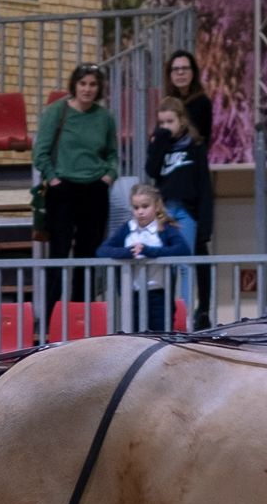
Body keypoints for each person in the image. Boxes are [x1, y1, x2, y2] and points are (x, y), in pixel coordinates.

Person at [33, 63, 119, 332]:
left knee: (88, 257)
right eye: (83, 84)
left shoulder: (104, 117)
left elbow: (112, 154)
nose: (88, 89)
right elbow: (41, 153)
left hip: (95, 189)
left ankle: (82, 321)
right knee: (58, 255)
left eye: (93, 85)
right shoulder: (56, 112)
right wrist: (53, 178)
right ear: (75, 85)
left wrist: (109, 174)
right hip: (63, 190)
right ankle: (50, 322)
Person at [97, 179, 196, 335]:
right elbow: (102, 250)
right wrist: (126, 253)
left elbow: (183, 250)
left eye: (145, 206)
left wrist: (151, 252)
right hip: (132, 297)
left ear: (156, 206)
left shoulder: (165, 228)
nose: (140, 212)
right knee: (134, 340)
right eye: (136, 207)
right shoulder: (127, 228)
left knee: (160, 338)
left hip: (159, 297)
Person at [152, 49, 216, 253]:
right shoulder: (166, 104)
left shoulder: (202, 102)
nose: (180, 73)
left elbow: (204, 138)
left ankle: (205, 287)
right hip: (169, 177)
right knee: (170, 246)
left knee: (198, 243)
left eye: (185, 69)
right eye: (175, 69)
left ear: (193, 72)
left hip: (192, 173)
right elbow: (154, 156)